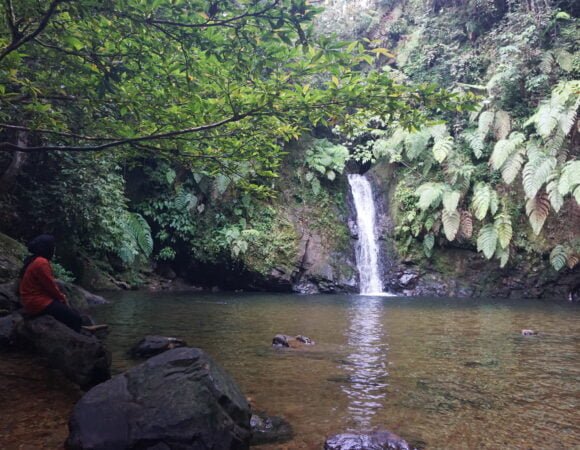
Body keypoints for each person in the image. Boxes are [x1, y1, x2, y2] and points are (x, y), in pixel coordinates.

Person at [18, 234, 83, 333]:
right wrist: (62, 298)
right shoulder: (41, 262)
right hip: (37, 303)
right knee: (75, 318)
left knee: (69, 313)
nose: (54, 250)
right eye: (53, 247)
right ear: (48, 248)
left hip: (31, 300)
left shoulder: (33, 259)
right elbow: (50, 286)